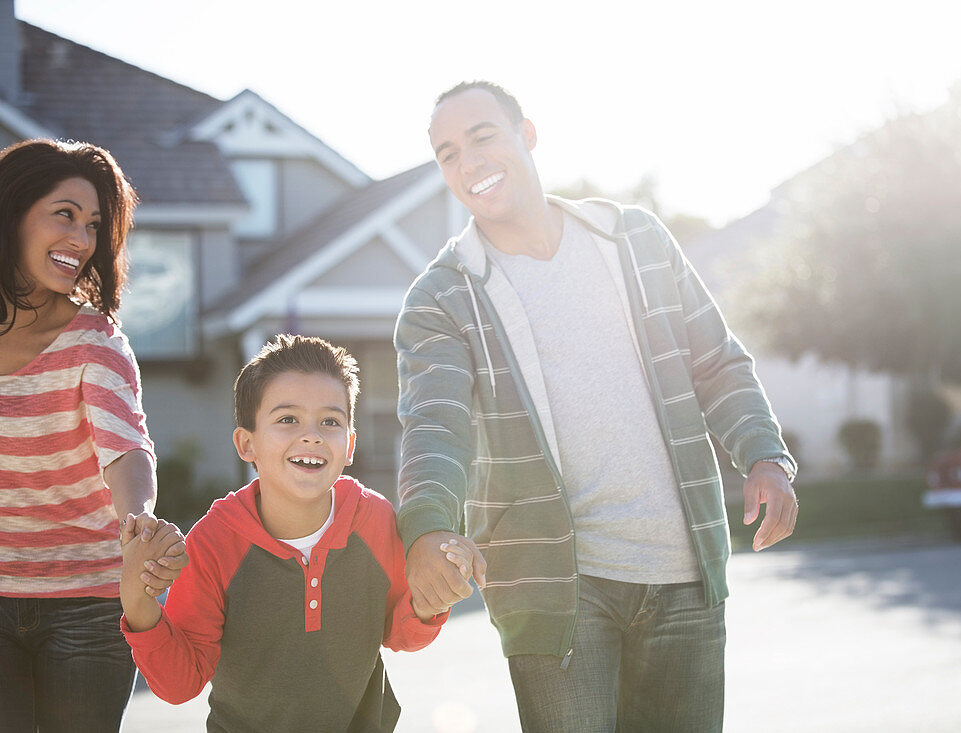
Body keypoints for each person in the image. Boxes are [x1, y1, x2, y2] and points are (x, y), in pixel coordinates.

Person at [394, 81, 799, 732]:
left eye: (482, 137)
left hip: (684, 574)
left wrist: (764, 454)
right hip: (554, 594)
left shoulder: (634, 239)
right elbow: (435, 425)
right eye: (447, 153)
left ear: (527, 134)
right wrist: (428, 526)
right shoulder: (442, 296)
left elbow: (715, 361)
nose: (467, 162)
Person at [120, 334, 462, 733]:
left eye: (330, 421)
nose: (311, 435)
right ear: (247, 443)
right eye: (287, 419)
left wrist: (431, 597)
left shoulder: (374, 520)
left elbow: (402, 634)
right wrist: (138, 602)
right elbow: (180, 684)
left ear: (349, 444)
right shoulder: (214, 543)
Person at [0, 138, 186, 732]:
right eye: (64, 214)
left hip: (87, 605)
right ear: (13, 213)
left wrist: (139, 522)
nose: (81, 240)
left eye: (93, 225)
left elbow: (126, 448)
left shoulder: (95, 340)